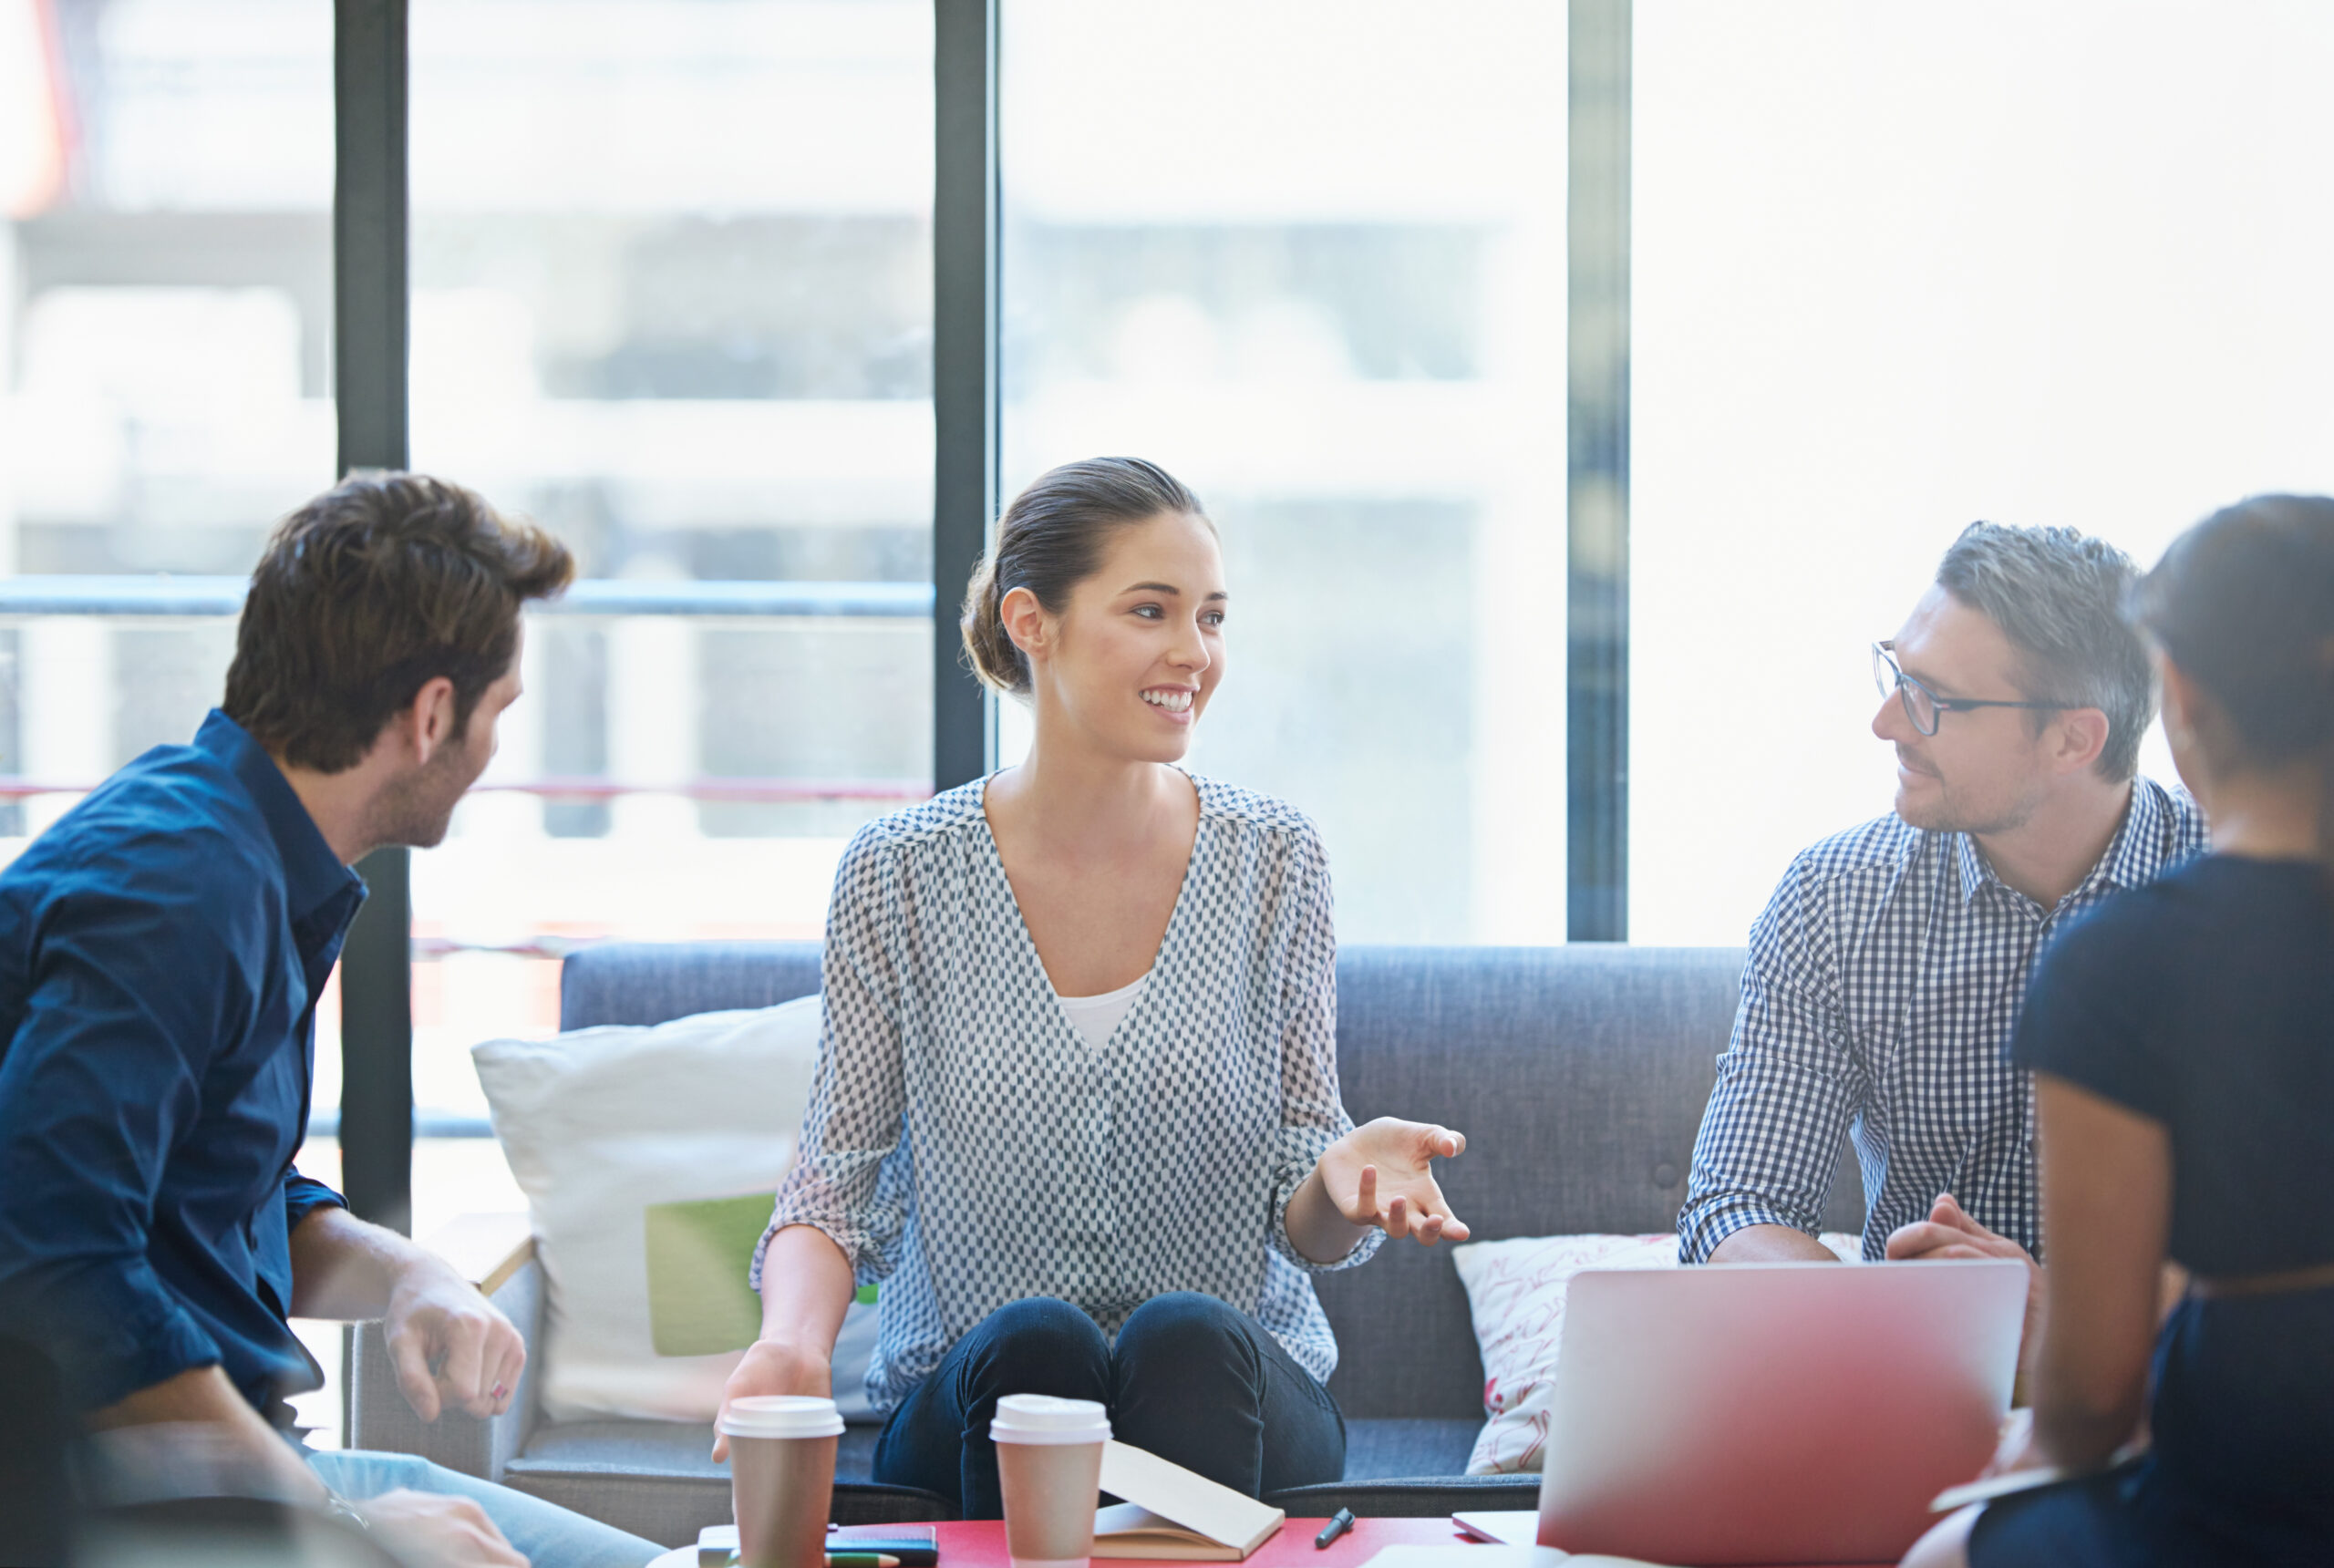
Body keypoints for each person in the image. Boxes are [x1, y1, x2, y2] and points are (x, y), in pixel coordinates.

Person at [716, 457, 1469, 1517]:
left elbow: (1305, 1217)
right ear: (1033, 620)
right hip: (975, 1389)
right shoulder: (897, 874)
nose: (1193, 654)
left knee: (1187, 1334)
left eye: (1211, 618)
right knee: (1038, 1343)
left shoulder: (1275, 860)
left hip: (1235, 1390)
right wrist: (790, 1347)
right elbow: (835, 1181)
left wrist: (1342, 1178)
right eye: (1150, 611)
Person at [0, 474, 661, 1568]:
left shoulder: (239, 855)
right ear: (432, 714)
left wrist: (410, 1274)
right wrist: (339, 1528)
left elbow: (211, 1195)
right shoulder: (183, 886)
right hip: (111, 1504)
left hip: (234, 1473)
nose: (495, 751)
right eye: (498, 713)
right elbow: (51, 1247)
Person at [1905, 495, 2334, 1567]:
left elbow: (2093, 1393)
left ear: (2176, 693)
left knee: (1943, 1553)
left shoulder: (2125, 961)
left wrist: (2034, 1460)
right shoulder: (1835, 896)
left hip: (2239, 1498)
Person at [1678, 523, 2206, 1339]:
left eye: (1935, 699)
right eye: (1896, 672)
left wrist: (2074, 1326)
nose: (1888, 722)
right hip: (1910, 1374)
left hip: (2183, 1390)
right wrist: (1919, 1323)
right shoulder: (1835, 899)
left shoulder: (2254, 894)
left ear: (2074, 738)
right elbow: (1735, 1207)